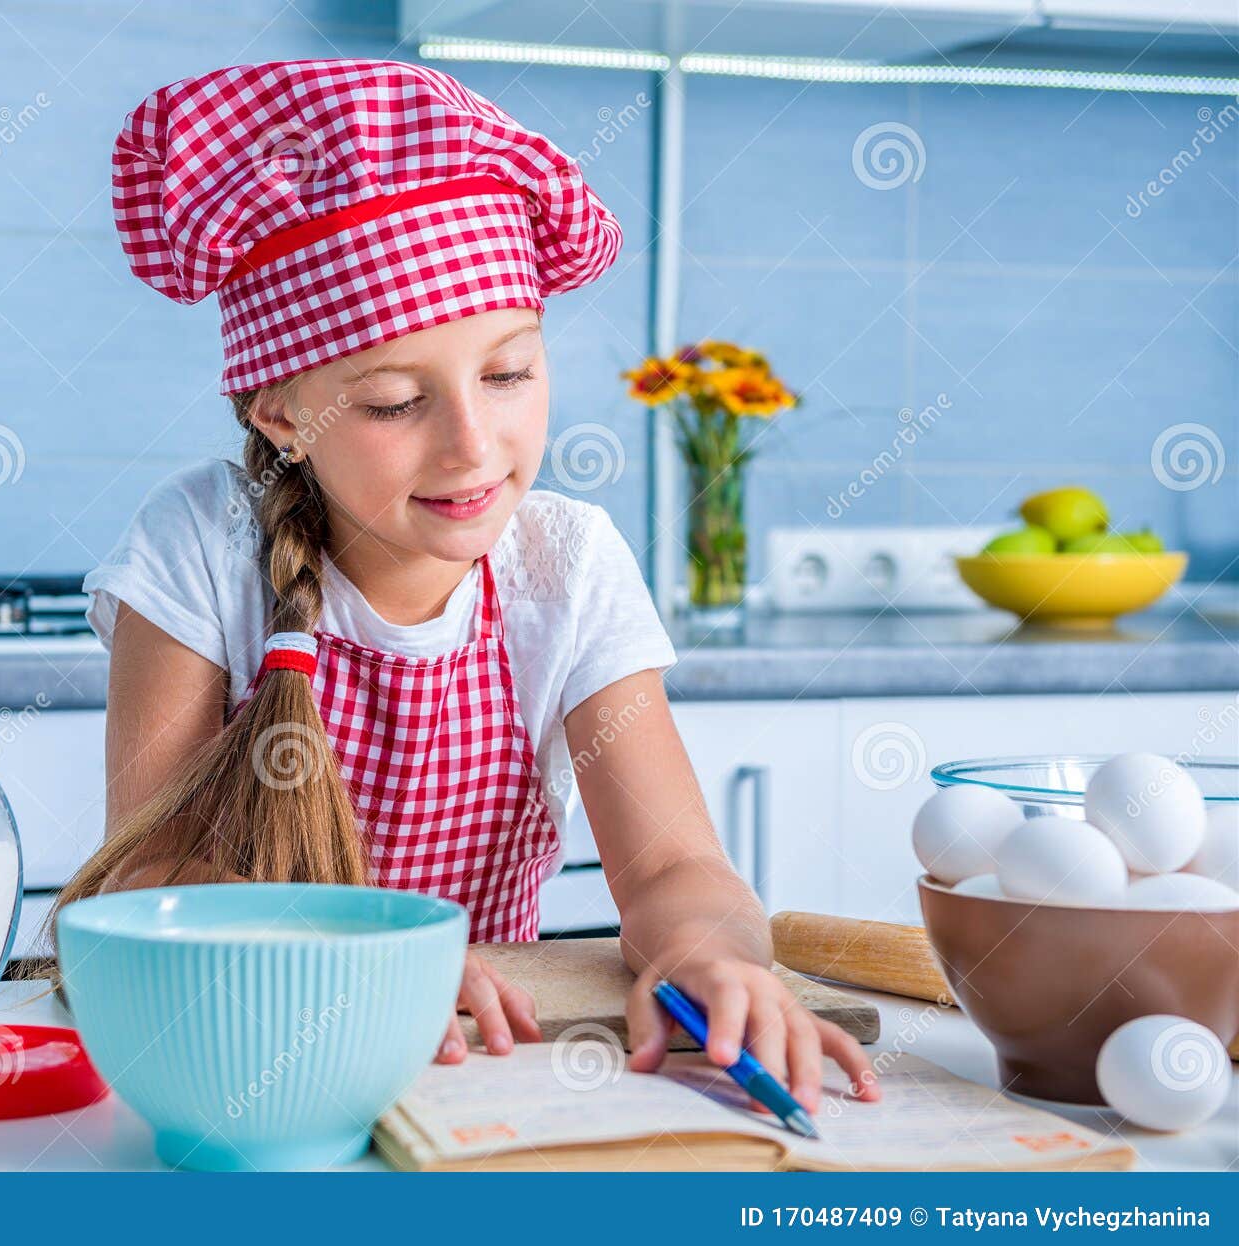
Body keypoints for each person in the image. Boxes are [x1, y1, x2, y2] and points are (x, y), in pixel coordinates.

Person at [50, 58, 877, 1112]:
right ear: (277, 416)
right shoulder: (199, 545)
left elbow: (673, 869)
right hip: (252, 1065)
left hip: (481, 1075)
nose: (474, 446)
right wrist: (372, 967)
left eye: (508, 372)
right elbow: (147, 884)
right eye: (395, 401)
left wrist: (716, 958)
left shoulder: (564, 567)